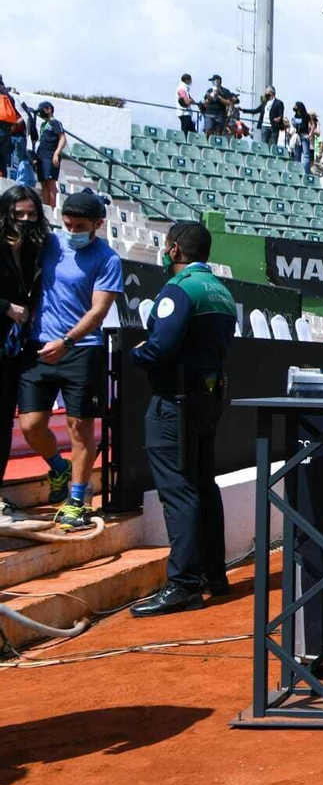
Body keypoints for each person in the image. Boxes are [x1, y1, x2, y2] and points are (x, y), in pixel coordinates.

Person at [128, 222, 237, 616]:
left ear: (175, 250)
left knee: (179, 490)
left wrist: (136, 352)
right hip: (208, 398)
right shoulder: (222, 291)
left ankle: (183, 585)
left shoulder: (179, 288)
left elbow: (160, 347)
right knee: (203, 484)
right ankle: (214, 574)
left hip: (175, 402)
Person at [15, 190, 123, 529]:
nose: (72, 229)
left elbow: (99, 310)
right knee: (31, 425)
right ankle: (59, 470)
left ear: (98, 225)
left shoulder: (108, 259)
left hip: (81, 349)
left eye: (80, 225)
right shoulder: (50, 243)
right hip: (38, 347)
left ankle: (77, 498)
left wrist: (67, 340)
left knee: (80, 428)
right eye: (68, 222)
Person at [0, 187, 46, 521]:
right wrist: (5, 307)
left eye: (31, 214)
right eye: (19, 215)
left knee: (3, 426)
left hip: (14, 352)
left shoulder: (35, 250)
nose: (26, 221)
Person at [33, 102, 65, 209]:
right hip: (41, 157)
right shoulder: (43, 125)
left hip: (50, 156)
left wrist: (56, 153)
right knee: (44, 183)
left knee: (51, 183)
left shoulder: (55, 123)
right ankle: (46, 208)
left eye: (43, 110)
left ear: (49, 109)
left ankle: (52, 209)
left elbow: (63, 139)